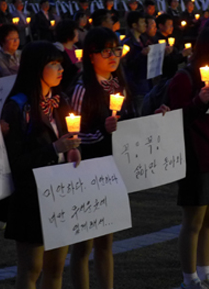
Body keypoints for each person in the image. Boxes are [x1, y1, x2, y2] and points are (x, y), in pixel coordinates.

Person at [1, 41, 81, 289]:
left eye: (61, 64)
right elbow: (15, 162)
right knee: (32, 268)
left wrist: (73, 151)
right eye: (53, 64)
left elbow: (69, 140)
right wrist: (54, 149)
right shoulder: (17, 107)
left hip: (60, 191)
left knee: (56, 265)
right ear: (36, 68)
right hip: (31, 196)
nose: (60, 69)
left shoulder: (60, 101)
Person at [70, 27, 135, 289]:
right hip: (87, 170)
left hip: (113, 169)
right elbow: (72, 134)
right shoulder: (82, 88)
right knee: (84, 243)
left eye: (116, 50)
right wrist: (101, 132)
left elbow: (130, 123)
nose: (113, 56)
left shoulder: (119, 84)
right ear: (91, 55)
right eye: (106, 51)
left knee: (106, 240)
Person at [167, 27, 209, 289]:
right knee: (193, 222)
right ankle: (189, 277)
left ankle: (205, 273)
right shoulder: (184, 78)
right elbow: (173, 119)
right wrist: (196, 102)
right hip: (195, 159)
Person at [122, 11, 150, 112]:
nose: (145, 25)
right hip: (136, 84)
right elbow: (127, 64)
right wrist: (141, 55)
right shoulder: (127, 43)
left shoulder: (144, 39)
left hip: (146, 82)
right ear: (134, 25)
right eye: (142, 22)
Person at [54, 20, 81, 91]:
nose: (78, 33)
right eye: (76, 31)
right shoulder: (58, 51)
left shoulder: (77, 49)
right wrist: (76, 67)